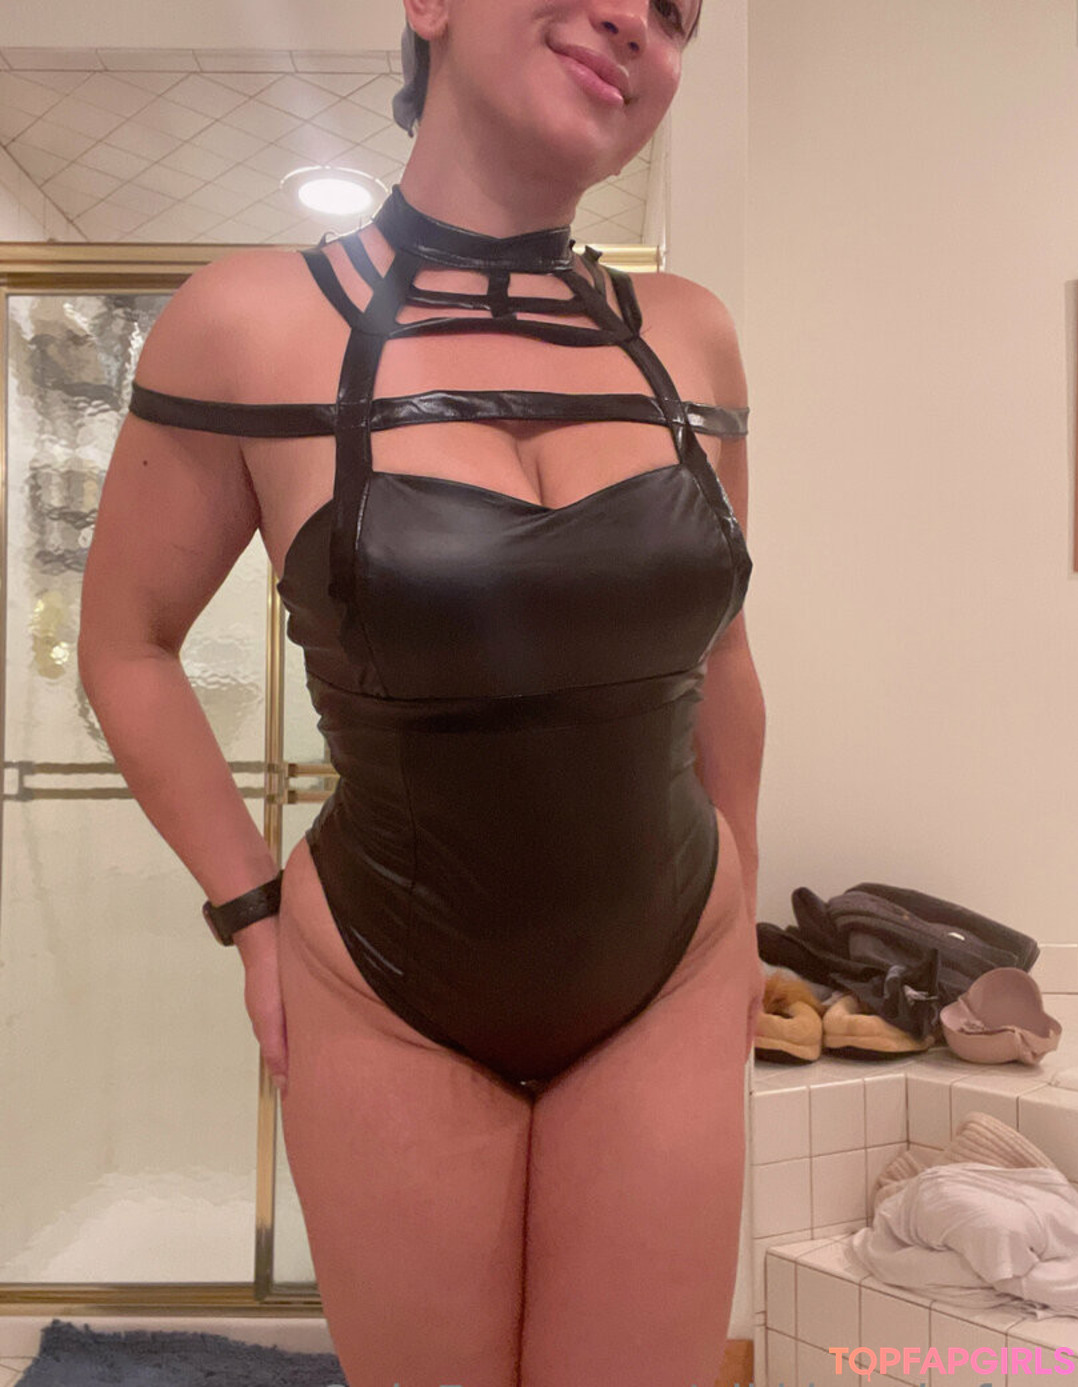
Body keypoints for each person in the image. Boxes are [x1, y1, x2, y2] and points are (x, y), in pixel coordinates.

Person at [78, 0, 768, 1381]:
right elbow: (126, 646)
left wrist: (744, 914)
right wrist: (250, 913)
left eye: (678, 12)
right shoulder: (248, 321)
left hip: (672, 963)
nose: (635, 18)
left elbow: (725, 660)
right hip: (385, 985)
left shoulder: (690, 337)